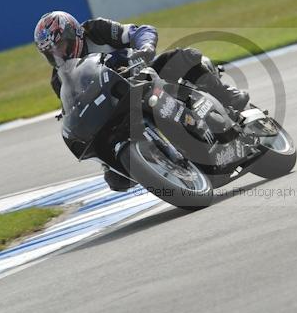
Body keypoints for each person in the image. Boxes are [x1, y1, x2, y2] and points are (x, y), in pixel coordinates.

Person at [33, 11, 249, 190]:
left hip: (142, 74)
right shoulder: (59, 79)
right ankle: (161, 163)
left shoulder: (96, 30)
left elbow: (140, 31)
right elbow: (74, 107)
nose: (58, 54)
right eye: (51, 53)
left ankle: (227, 98)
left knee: (185, 57)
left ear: (75, 34)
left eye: (60, 46)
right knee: (117, 180)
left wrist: (144, 48)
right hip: (114, 107)